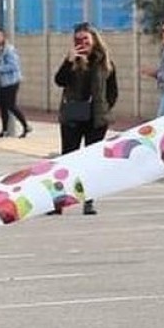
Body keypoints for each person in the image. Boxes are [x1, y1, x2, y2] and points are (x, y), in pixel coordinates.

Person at [53, 22, 118, 215]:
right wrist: (68, 61)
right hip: (73, 115)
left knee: (91, 161)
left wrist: (104, 109)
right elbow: (59, 81)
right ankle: (60, 202)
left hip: (96, 119)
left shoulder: (105, 62)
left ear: (94, 40)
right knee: (67, 160)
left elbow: (113, 91)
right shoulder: (72, 61)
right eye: (78, 40)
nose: (82, 43)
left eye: (85, 39)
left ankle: (89, 201)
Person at [0, 29, 31, 138]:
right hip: (3, 82)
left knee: (10, 105)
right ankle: (4, 130)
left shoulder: (9, 50)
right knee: (2, 106)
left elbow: (13, 66)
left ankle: (26, 126)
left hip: (11, 81)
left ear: (4, 37)